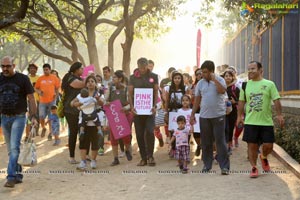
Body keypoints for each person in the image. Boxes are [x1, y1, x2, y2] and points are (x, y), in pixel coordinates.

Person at [236, 61, 284, 178]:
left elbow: (276, 100)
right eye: (249, 69)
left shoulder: (269, 84)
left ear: (260, 70)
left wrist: (279, 115)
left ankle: (263, 156)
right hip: (251, 121)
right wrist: (239, 116)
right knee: (251, 146)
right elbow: (241, 102)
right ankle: (254, 167)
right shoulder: (245, 85)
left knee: (269, 146)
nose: (250, 71)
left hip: (266, 122)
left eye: (253, 69)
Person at [0, 56, 37, 188]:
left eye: (8, 66)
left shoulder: (23, 79)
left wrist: (33, 116)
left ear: (13, 66)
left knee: (15, 147)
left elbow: (32, 98)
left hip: (19, 117)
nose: (5, 68)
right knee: (11, 150)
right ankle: (18, 174)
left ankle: (10, 177)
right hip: (4, 117)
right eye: (3, 66)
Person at [190, 60, 230, 175]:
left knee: (220, 141)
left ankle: (224, 167)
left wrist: (214, 80)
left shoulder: (220, 80)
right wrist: (192, 114)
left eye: (206, 72)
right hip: (204, 116)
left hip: (219, 115)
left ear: (212, 72)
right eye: (202, 72)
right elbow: (197, 99)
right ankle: (207, 165)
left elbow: (222, 91)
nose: (203, 74)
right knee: (206, 142)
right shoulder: (200, 83)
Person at [128, 57, 158, 166]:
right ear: (137, 66)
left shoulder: (153, 76)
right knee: (139, 134)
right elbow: (130, 93)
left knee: (150, 132)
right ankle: (143, 158)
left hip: (149, 110)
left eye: (144, 68)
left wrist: (155, 106)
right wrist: (132, 107)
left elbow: (155, 92)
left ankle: (150, 156)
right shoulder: (132, 77)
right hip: (138, 111)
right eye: (140, 68)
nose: (142, 70)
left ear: (147, 66)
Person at [71, 75, 104, 170]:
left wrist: (98, 99)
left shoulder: (98, 94)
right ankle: (83, 162)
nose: (90, 83)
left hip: (95, 121)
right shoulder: (80, 94)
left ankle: (93, 160)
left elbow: (103, 103)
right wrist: (78, 104)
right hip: (83, 121)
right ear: (85, 84)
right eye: (88, 81)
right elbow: (72, 103)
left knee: (95, 142)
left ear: (95, 83)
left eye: (92, 81)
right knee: (83, 141)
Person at [105, 70, 133, 166]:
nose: (113, 79)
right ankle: (115, 158)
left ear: (120, 79)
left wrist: (125, 108)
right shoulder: (110, 89)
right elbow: (105, 101)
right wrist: (107, 103)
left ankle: (127, 150)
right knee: (113, 136)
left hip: (125, 115)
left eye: (115, 78)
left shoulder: (126, 90)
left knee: (126, 134)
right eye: (113, 78)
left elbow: (130, 104)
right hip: (114, 115)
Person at [61, 62, 85, 164]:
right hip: (70, 110)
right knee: (73, 133)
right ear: (76, 70)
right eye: (81, 69)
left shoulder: (80, 78)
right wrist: (90, 79)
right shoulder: (70, 78)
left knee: (83, 133)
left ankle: (84, 156)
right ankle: (71, 157)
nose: (83, 70)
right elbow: (79, 85)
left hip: (80, 110)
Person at [164, 71, 191, 158]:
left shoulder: (185, 88)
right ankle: (173, 149)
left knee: (184, 131)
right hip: (172, 112)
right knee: (173, 131)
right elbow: (167, 101)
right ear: (172, 79)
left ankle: (185, 149)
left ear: (181, 79)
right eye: (175, 78)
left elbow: (188, 100)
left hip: (183, 112)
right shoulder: (168, 88)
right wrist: (166, 112)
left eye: (179, 78)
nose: (177, 80)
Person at [35, 64, 60, 140]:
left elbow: (57, 88)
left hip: (51, 101)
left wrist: (55, 97)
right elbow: (36, 88)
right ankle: (43, 128)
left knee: (51, 117)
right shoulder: (40, 78)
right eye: (44, 70)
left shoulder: (54, 78)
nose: (45, 71)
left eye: (47, 69)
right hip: (42, 101)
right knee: (41, 116)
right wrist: (39, 92)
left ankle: (50, 133)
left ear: (50, 69)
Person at [222, 70, 240, 155]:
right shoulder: (221, 87)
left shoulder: (235, 88)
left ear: (233, 77)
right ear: (223, 77)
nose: (228, 77)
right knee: (224, 129)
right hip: (222, 112)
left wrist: (234, 102)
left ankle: (229, 146)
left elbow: (241, 101)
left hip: (233, 112)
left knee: (230, 128)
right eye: (226, 76)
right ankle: (223, 146)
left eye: (229, 76)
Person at [191, 68, 202, 156]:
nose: (200, 75)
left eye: (201, 73)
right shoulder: (192, 87)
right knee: (196, 132)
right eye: (197, 74)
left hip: (207, 110)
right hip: (196, 110)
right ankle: (199, 145)